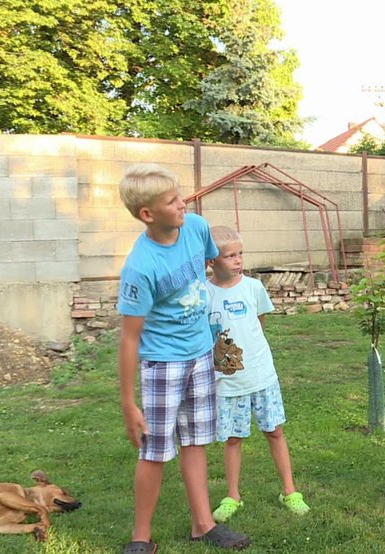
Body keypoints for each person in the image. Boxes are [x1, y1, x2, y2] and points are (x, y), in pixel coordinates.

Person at [117, 164, 251, 553]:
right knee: (154, 449)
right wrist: (128, 404)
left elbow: (212, 270)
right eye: (173, 200)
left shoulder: (195, 228)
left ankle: (203, 525)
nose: (184, 203)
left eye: (181, 195)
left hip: (200, 355)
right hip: (163, 364)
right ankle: (141, 537)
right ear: (148, 214)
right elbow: (129, 339)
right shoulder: (140, 267)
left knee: (196, 442)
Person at [205, 225, 310, 523]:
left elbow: (259, 325)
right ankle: (232, 496)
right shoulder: (204, 293)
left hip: (262, 376)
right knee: (234, 438)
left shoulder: (253, 288)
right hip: (228, 382)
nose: (238, 260)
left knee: (274, 431)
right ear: (211, 261)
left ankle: (290, 491)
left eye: (240, 254)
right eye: (230, 256)